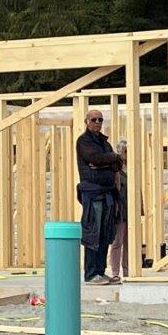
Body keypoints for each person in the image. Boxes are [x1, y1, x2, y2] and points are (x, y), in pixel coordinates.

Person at [75, 109, 122, 285]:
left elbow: (117, 164)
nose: (97, 122)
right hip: (93, 193)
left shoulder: (104, 143)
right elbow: (94, 158)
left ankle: (100, 272)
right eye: (94, 119)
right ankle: (91, 274)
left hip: (107, 193)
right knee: (93, 233)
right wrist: (110, 159)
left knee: (105, 234)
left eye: (100, 119)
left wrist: (107, 161)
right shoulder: (84, 141)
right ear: (86, 121)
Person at [108, 139, 129, 283]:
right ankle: (115, 272)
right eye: (125, 151)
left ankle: (128, 271)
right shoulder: (115, 170)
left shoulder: (131, 169)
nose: (127, 154)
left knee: (129, 244)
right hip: (119, 211)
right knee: (117, 242)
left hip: (129, 211)